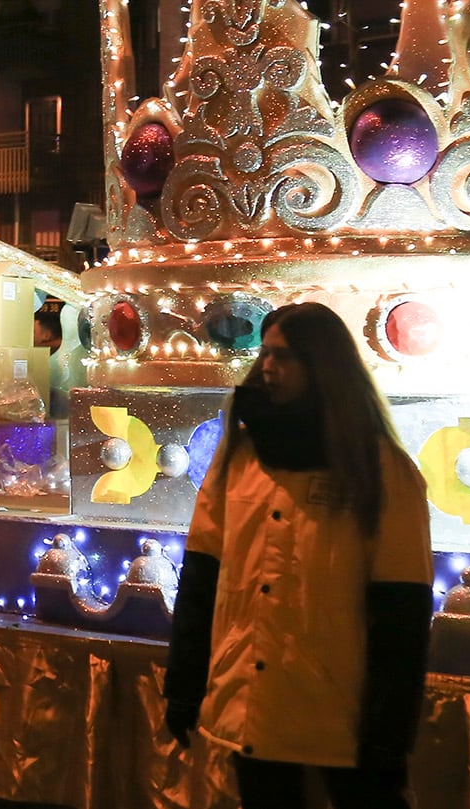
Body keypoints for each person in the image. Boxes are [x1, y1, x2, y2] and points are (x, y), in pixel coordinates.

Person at [164, 302, 433, 808]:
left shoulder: (380, 468)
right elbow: (202, 576)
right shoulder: (238, 457)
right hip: (251, 695)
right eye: (265, 351)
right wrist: (183, 687)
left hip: (338, 705)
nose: (267, 365)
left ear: (323, 366)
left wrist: (387, 734)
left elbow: (403, 611)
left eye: (283, 355)